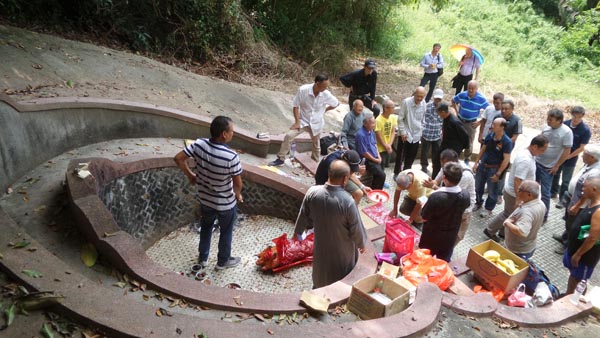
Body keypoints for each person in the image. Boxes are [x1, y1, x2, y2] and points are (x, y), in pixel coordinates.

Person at [174, 116, 243, 270]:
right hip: (225, 204)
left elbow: (178, 158)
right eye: (232, 131)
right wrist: (237, 194)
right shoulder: (231, 156)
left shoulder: (199, 144)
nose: (233, 133)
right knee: (226, 232)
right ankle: (222, 262)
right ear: (224, 134)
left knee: (206, 227)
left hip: (206, 200)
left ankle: (203, 258)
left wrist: (191, 175)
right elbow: (238, 183)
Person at [294, 160, 368, 289]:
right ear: (345, 179)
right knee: (341, 272)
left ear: (329, 174)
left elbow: (303, 215)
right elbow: (355, 227)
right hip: (342, 246)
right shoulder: (347, 201)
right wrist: (361, 243)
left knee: (321, 269)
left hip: (321, 243)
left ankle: (317, 290)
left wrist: (298, 233)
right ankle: (336, 296)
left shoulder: (313, 192)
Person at [484, 135, 549, 242]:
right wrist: (519, 199)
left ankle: (502, 233)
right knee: (508, 214)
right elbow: (518, 180)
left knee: (509, 214)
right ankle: (490, 230)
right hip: (514, 194)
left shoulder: (530, 155)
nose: (543, 152)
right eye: (542, 150)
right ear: (535, 146)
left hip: (516, 193)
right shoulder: (525, 160)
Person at [269, 74, 339, 166]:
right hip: (303, 120)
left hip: (317, 122)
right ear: (317, 83)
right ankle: (280, 159)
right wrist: (297, 122)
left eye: (327, 86)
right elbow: (295, 106)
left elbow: (336, 104)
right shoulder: (303, 90)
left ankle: (315, 162)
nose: (326, 88)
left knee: (316, 144)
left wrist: (325, 110)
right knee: (289, 136)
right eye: (324, 86)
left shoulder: (326, 94)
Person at [553, 145, 600, 254]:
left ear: (592, 158)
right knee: (568, 220)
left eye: (585, 155)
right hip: (572, 198)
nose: (582, 156)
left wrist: (577, 205)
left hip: (579, 204)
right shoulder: (588, 164)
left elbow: (587, 191)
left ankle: (567, 246)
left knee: (573, 225)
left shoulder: (595, 172)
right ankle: (565, 237)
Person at [419, 162, 471, 262]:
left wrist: (424, 205)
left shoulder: (436, 197)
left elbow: (424, 217)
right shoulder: (465, 195)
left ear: (444, 177)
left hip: (431, 236)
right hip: (450, 237)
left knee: (424, 260)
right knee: (442, 263)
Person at [424, 149, 476, 245]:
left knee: (456, 236)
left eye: (444, 164)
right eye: (442, 164)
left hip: (463, 209)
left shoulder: (464, 175)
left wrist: (434, 187)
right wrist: (432, 183)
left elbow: (452, 195)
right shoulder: (446, 167)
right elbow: (437, 181)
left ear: (454, 163)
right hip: (449, 202)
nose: (442, 167)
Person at [563, 176, 600, 295]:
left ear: (594, 189)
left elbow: (593, 237)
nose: (582, 189)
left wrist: (578, 254)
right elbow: (584, 195)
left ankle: (576, 302)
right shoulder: (591, 201)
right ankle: (568, 294)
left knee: (579, 281)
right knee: (573, 277)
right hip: (574, 249)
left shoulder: (598, 211)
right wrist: (579, 204)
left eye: (585, 187)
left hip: (584, 256)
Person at [536, 109, 573, 222]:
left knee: (545, 193)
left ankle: (544, 216)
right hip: (537, 162)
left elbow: (567, 151)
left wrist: (557, 165)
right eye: (547, 118)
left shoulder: (567, 132)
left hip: (548, 167)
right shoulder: (546, 128)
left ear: (559, 121)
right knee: (532, 188)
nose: (548, 121)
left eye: (550, 120)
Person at [473, 118, 513, 218]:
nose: (492, 126)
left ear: (502, 127)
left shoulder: (506, 142)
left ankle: (488, 208)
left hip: (494, 169)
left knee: (492, 190)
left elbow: (506, 159)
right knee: (478, 186)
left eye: (495, 124)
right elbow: (483, 149)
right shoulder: (490, 135)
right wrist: (477, 162)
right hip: (483, 165)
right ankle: (478, 202)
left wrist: (498, 173)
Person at [553, 106, 591, 208]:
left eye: (578, 117)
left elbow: (582, 147)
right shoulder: (564, 124)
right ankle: (553, 192)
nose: (575, 119)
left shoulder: (585, 130)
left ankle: (562, 199)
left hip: (571, 158)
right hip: (559, 155)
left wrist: (569, 156)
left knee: (566, 180)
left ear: (582, 116)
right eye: (574, 116)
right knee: (555, 174)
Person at [503, 181, 546, 261]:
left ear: (529, 194)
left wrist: (507, 223)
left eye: (520, 190)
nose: (517, 191)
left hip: (517, 250)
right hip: (529, 246)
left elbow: (522, 232)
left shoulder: (527, 212)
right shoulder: (541, 204)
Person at [452, 80, 489, 163]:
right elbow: (453, 100)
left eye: (473, 89)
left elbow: (489, 110)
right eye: (469, 88)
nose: (471, 90)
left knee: (469, 142)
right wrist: (457, 111)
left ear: (477, 89)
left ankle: (467, 159)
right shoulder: (462, 95)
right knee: (457, 139)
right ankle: (455, 157)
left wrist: (480, 121)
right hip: (460, 121)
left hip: (471, 124)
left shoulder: (481, 99)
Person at [394, 86, 427, 177]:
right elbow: (400, 119)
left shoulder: (424, 103)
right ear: (414, 94)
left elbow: (423, 119)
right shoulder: (406, 102)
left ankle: (406, 173)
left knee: (411, 156)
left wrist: (421, 130)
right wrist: (403, 132)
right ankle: (397, 173)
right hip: (406, 134)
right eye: (418, 96)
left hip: (416, 135)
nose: (419, 99)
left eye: (422, 97)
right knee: (401, 156)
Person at [355, 112, 386, 189]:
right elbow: (364, 153)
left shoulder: (371, 131)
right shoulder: (360, 135)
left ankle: (377, 185)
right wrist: (375, 160)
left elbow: (375, 144)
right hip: (367, 159)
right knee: (382, 175)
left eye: (374, 123)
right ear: (365, 124)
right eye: (372, 123)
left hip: (375, 156)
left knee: (382, 166)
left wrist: (378, 156)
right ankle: (375, 192)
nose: (374, 125)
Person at [421, 89, 444, 177]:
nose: (437, 101)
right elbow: (422, 118)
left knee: (436, 153)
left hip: (437, 135)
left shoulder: (443, 108)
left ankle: (435, 167)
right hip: (427, 134)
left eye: (439, 99)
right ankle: (424, 166)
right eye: (436, 98)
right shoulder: (427, 106)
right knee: (424, 152)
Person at [375, 99, 398, 169]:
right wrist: (385, 145)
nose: (394, 109)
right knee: (380, 166)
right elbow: (378, 135)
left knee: (386, 165)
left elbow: (393, 131)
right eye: (392, 107)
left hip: (388, 146)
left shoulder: (393, 117)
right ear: (386, 108)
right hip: (380, 148)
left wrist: (389, 145)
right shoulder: (378, 120)